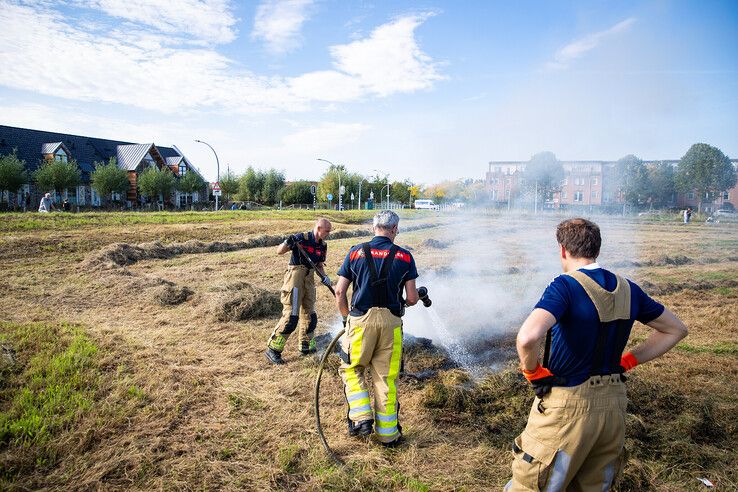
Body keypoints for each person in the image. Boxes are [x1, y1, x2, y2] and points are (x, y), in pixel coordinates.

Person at [506, 218, 688, 491]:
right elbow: (676, 330)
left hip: (567, 408)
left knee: (534, 484)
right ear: (597, 250)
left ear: (563, 250)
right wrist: (628, 360)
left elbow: (528, 337)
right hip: (613, 410)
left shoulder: (564, 286)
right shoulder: (628, 288)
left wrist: (532, 372)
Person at [334, 210, 419, 446]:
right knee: (386, 379)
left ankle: (361, 419)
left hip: (360, 321)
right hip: (392, 324)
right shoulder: (405, 257)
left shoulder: (355, 252)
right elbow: (411, 298)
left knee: (352, 368)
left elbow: (340, 291)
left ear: (374, 228)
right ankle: (389, 434)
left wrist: (346, 319)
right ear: (394, 229)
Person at [265, 218, 333, 364]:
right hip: (295, 278)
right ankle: (273, 350)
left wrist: (325, 277)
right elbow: (279, 251)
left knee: (310, 315)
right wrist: (286, 242)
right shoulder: (300, 238)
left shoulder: (323, 246)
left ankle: (306, 346)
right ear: (319, 228)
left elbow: (319, 265)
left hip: (309, 279)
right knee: (292, 316)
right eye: (327, 231)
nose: (328, 234)